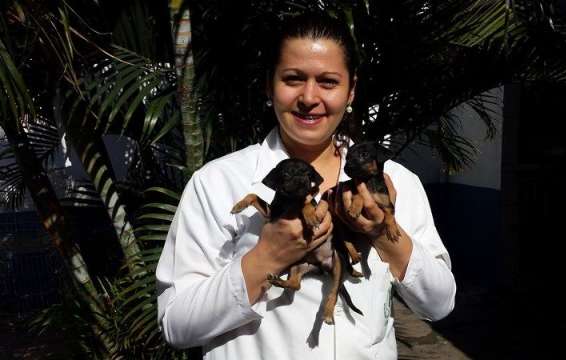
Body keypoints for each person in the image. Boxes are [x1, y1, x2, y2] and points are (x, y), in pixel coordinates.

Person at [156, 12, 456, 360]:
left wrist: (387, 236)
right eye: (293, 78)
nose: (309, 97)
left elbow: (440, 303)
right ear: (269, 86)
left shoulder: (397, 183)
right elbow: (176, 324)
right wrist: (266, 257)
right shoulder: (216, 183)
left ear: (351, 90)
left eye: (328, 82)